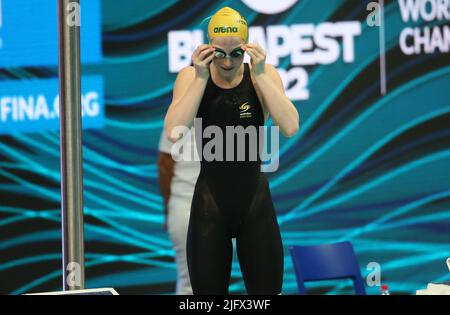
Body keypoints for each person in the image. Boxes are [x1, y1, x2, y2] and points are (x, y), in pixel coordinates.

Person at [164, 7, 299, 295]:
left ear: (247, 48)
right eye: (219, 54)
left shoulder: (263, 75)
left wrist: (261, 74)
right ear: (208, 48)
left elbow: (290, 126)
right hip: (209, 207)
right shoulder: (191, 76)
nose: (227, 62)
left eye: (236, 53)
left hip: (255, 205)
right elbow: (174, 132)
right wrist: (201, 78)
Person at [158, 128, 200, 295]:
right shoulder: (180, 112)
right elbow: (165, 163)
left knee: (214, 282)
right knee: (191, 284)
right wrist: (170, 208)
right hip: (186, 207)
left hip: (222, 210)